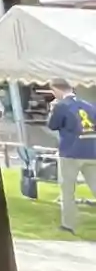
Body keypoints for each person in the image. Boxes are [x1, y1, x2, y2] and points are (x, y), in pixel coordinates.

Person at [48, 79, 96, 232]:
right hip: (91, 150)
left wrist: (52, 109)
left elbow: (52, 125)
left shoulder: (61, 106)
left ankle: (68, 225)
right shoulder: (89, 105)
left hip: (70, 152)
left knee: (67, 190)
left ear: (56, 89)